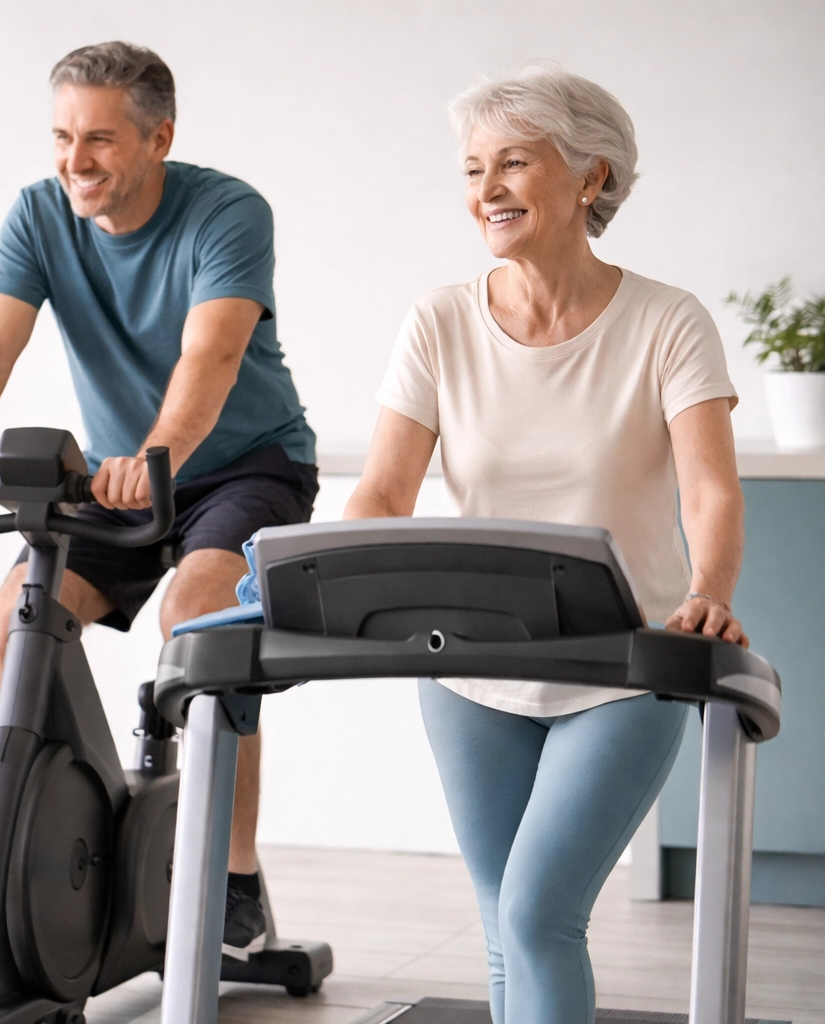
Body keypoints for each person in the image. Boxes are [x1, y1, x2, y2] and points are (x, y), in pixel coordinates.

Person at [344, 66, 747, 1023]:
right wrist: (313, 576)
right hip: (468, 665)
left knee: (536, 913)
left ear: (590, 176)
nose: (486, 189)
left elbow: (710, 487)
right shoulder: (440, 321)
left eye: (513, 162)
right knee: (503, 926)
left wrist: (711, 587)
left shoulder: (667, 321)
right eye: (474, 167)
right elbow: (384, 491)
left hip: (623, 664)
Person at [0, 40, 317, 957]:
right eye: (62, 136)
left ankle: (233, 872)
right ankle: (94, 827)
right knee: (17, 623)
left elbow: (210, 354)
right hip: (114, 474)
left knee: (204, 620)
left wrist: (155, 453)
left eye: (98, 139)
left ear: (158, 137)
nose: (74, 161)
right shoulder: (39, 214)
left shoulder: (227, 211)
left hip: (248, 460)